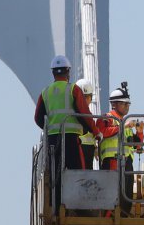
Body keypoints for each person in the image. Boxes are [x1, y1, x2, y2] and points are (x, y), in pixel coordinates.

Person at [33, 55, 101, 204]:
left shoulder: (45, 93)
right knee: (78, 173)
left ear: (53, 73)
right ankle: (79, 206)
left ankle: (57, 207)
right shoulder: (73, 90)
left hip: (52, 140)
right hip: (71, 139)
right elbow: (84, 114)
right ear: (68, 72)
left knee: (55, 174)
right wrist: (96, 132)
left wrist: (50, 128)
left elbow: (38, 117)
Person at [96, 82, 144, 215]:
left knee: (126, 196)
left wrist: (139, 132)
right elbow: (103, 131)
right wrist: (124, 126)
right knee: (111, 196)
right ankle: (108, 220)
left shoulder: (126, 122)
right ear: (114, 104)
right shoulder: (107, 118)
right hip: (112, 162)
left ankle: (123, 218)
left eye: (128, 104)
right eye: (124, 103)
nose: (127, 106)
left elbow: (137, 147)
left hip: (127, 164)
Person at [75, 77, 98, 169]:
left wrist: (95, 147)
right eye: (85, 97)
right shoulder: (75, 114)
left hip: (88, 150)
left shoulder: (88, 114)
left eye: (89, 97)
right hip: (79, 149)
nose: (88, 100)